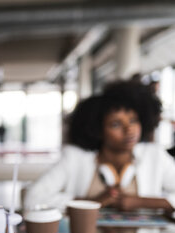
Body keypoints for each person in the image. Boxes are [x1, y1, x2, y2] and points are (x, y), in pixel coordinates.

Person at [24, 80, 175, 213]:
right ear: (97, 129)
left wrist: (141, 202)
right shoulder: (74, 158)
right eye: (116, 124)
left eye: (133, 120)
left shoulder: (155, 155)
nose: (129, 129)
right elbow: (33, 198)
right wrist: (92, 202)